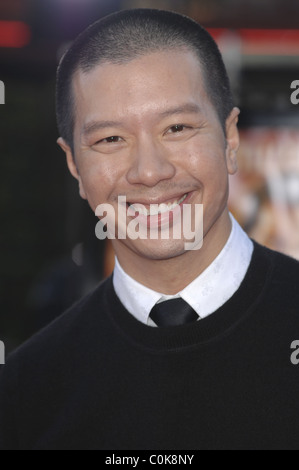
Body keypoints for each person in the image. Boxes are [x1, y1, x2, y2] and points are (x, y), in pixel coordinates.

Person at [0, 9, 299, 451]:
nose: (149, 172)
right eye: (110, 140)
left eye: (177, 128)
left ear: (230, 139)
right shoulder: (27, 390)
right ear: (74, 166)